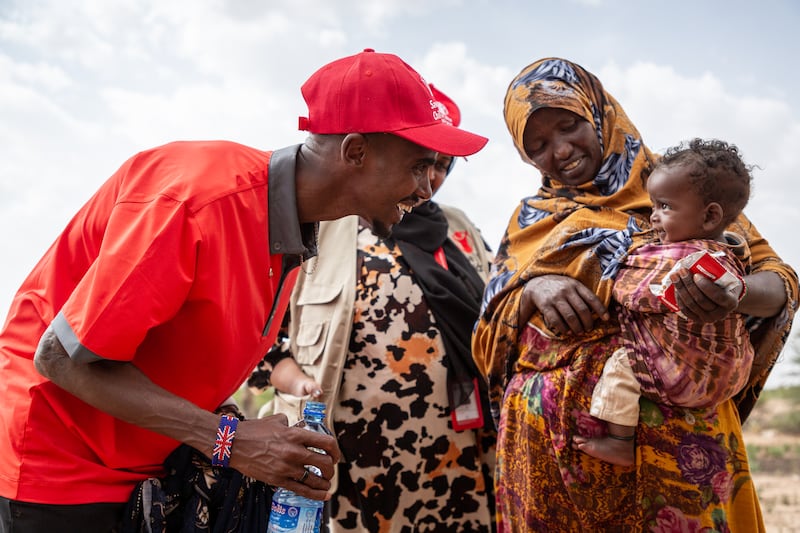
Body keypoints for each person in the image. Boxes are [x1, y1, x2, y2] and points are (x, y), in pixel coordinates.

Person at [0, 48, 488, 533]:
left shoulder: (297, 227)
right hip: (58, 473)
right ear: (355, 151)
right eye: (419, 165)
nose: (428, 187)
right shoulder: (197, 200)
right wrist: (231, 440)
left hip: (146, 466)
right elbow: (60, 358)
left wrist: (247, 428)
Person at [472, 57, 797, 531]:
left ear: (600, 113)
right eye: (537, 144)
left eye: (569, 126)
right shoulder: (530, 219)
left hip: (675, 447)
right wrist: (533, 289)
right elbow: (487, 332)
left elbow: (780, 282)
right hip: (546, 452)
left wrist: (735, 292)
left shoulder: (680, 187)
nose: (559, 151)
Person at [248, 85, 497, 532]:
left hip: (457, 455)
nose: (431, 181)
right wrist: (301, 383)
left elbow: (497, 306)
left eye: (442, 167)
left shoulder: (458, 229)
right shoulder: (320, 228)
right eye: (422, 165)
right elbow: (261, 341)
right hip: (356, 462)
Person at [574, 138, 755, 466]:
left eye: (664, 207)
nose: (653, 217)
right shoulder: (732, 253)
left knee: (619, 366)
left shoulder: (672, 257)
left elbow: (631, 292)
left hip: (682, 375)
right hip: (731, 372)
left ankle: (619, 440)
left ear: (710, 216)